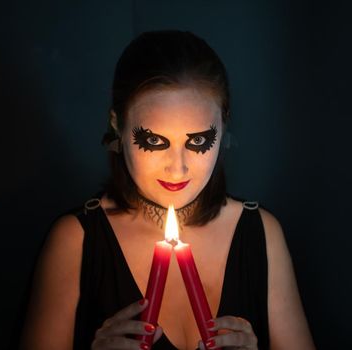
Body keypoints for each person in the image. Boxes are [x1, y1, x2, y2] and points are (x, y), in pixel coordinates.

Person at [19, 30, 315, 350]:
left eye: (198, 141)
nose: (177, 168)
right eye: (154, 142)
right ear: (117, 127)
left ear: (223, 129)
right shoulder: (76, 240)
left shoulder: (262, 233)